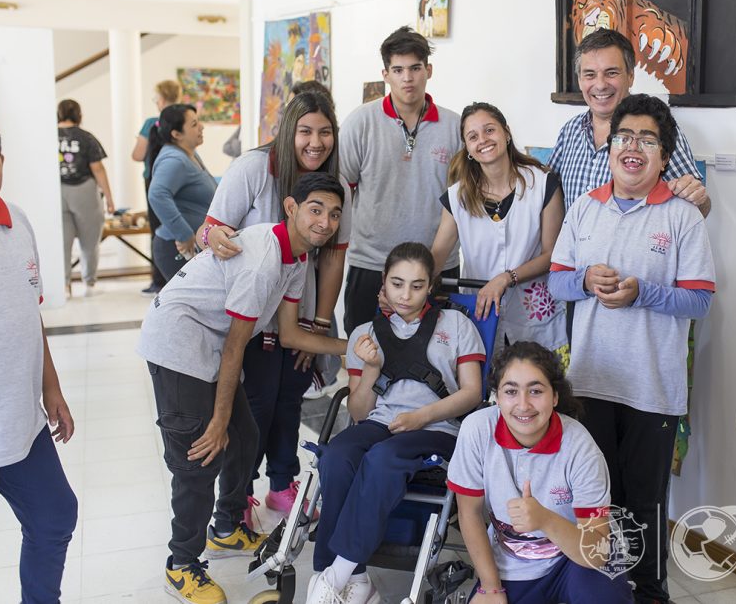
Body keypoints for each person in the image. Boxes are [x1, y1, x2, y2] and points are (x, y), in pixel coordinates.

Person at [137, 171, 349, 604]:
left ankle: (227, 528)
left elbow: (289, 334)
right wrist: (217, 420)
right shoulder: (264, 260)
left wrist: (353, 348)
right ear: (290, 208)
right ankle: (181, 566)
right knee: (201, 455)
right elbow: (236, 348)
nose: (325, 222)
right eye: (315, 210)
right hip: (178, 344)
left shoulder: (298, 258)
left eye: (333, 214)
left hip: (208, 345)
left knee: (245, 437)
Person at [548, 94, 715, 604]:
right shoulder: (585, 207)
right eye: (624, 137)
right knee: (597, 500)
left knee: (644, 505)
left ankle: (648, 593)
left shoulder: (684, 217)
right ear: (610, 147)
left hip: (652, 388)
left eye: (648, 139)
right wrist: (584, 279)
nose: (633, 147)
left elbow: (700, 300)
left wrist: (644, 291)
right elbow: (556, 284)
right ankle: (600, 589)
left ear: (665, 155)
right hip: (592, 382)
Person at [198, 90, 352, 525]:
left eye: (325, 132)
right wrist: (216, 240)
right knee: (256, 405)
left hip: (302, 311)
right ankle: (238, 495)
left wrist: (320, 325)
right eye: (305, 131)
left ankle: (282, 485)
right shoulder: (253, 168)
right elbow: (207, 232)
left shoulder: (333, 180)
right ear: (287, 131)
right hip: (251, 314)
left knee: (290, 399)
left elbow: (335, 254)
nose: (315, 143)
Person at [306, 242, 485, 604]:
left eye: (417, 285)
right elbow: (358, 412)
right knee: (337, 456)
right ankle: (357, 579)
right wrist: (371, 368)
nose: (406, 294)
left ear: (430, 287)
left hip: (438, 429)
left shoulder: (457, 325)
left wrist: (423, 416)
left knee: (383, 458)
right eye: (397, 283)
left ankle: (333, 574)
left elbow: (472, 394)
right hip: (380, 423)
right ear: (383, 284)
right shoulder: (363, 335)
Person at [0, 111, 78, 603]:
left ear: (2, 162)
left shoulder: (18, 222)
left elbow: (28, 311)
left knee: (55, 516)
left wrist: (50, 387)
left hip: (20, 420)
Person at [447, 341, 633, 604]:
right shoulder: (476, 430)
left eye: (535, 391)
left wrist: (545, 519)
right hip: (513, 565)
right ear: (496, 397)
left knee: (603, 596)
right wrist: (490, 587)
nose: (523, 405)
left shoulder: (581, 449)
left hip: (577, 560)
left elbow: (596, 553)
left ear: (555, 396)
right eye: (511, 391)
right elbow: (469, 513)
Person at [338, 26, 461, 334]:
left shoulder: (454, 126)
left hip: (437, 266)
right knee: (364, 356)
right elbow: (338, 190)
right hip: (372, 264)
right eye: (398, 70)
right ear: (386, 74)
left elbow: (462, 202)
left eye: (415, 68)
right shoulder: (360, 122)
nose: (407, 78)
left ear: (428, 70)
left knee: (439, 360)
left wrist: (431, 268)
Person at [431, 102, 567, 358]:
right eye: (473, 137)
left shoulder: (543, 184)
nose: (482, 140)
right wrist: (406, 284)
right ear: (468, 148)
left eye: (489, 130)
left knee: (536, 386)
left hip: (534, 316)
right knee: (484, 390)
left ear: (506, 133)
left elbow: (552, 255)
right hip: (481, 313)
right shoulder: (457, 197)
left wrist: (506, 277)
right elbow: (437, 256)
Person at [548, 29, 710, 217]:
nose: (600, 85)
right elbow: (547, 195)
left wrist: (698, 197)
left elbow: (698, 207)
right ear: (580, 80)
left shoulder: (657, 130)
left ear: (631, 76)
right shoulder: (570, 132)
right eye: (590, 74)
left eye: (611, 73)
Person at [147, 103, 216, 282]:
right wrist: (184, 234)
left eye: (198, 121)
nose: (201, 127)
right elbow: (157, 194)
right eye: (194, 124)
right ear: (176, 134)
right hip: (177, 248)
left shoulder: (188, 154)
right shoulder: (174, 160)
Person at [56, 99, 115, 297]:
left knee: (61, 242)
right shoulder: (86, 137)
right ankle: (89, 284)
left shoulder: (48, 135)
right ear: (79, 115)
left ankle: (64, 286)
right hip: (84, 190)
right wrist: (109, 198)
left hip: (57, 191)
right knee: (89, 241)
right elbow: (97, 168)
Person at [132, 79, 182, 295]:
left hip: (155, 181)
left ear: (160, 99)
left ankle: (159, 280)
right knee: (177, 223)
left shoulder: (152, 122)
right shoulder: (183, 119)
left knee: (158, 229)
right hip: (180, 179)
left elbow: (137, 154)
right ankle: (179, 275)